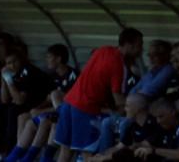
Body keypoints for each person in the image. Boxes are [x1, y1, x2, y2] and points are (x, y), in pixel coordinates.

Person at [56, 28, 145, 162]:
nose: (141, 50)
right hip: (85, 109)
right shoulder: (119, 66)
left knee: (65, 151)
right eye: (139, 46)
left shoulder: (103, 50)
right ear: (128, 45)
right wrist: (134, 109)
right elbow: (119, 100)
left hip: (68, 103)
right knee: (88, 154)